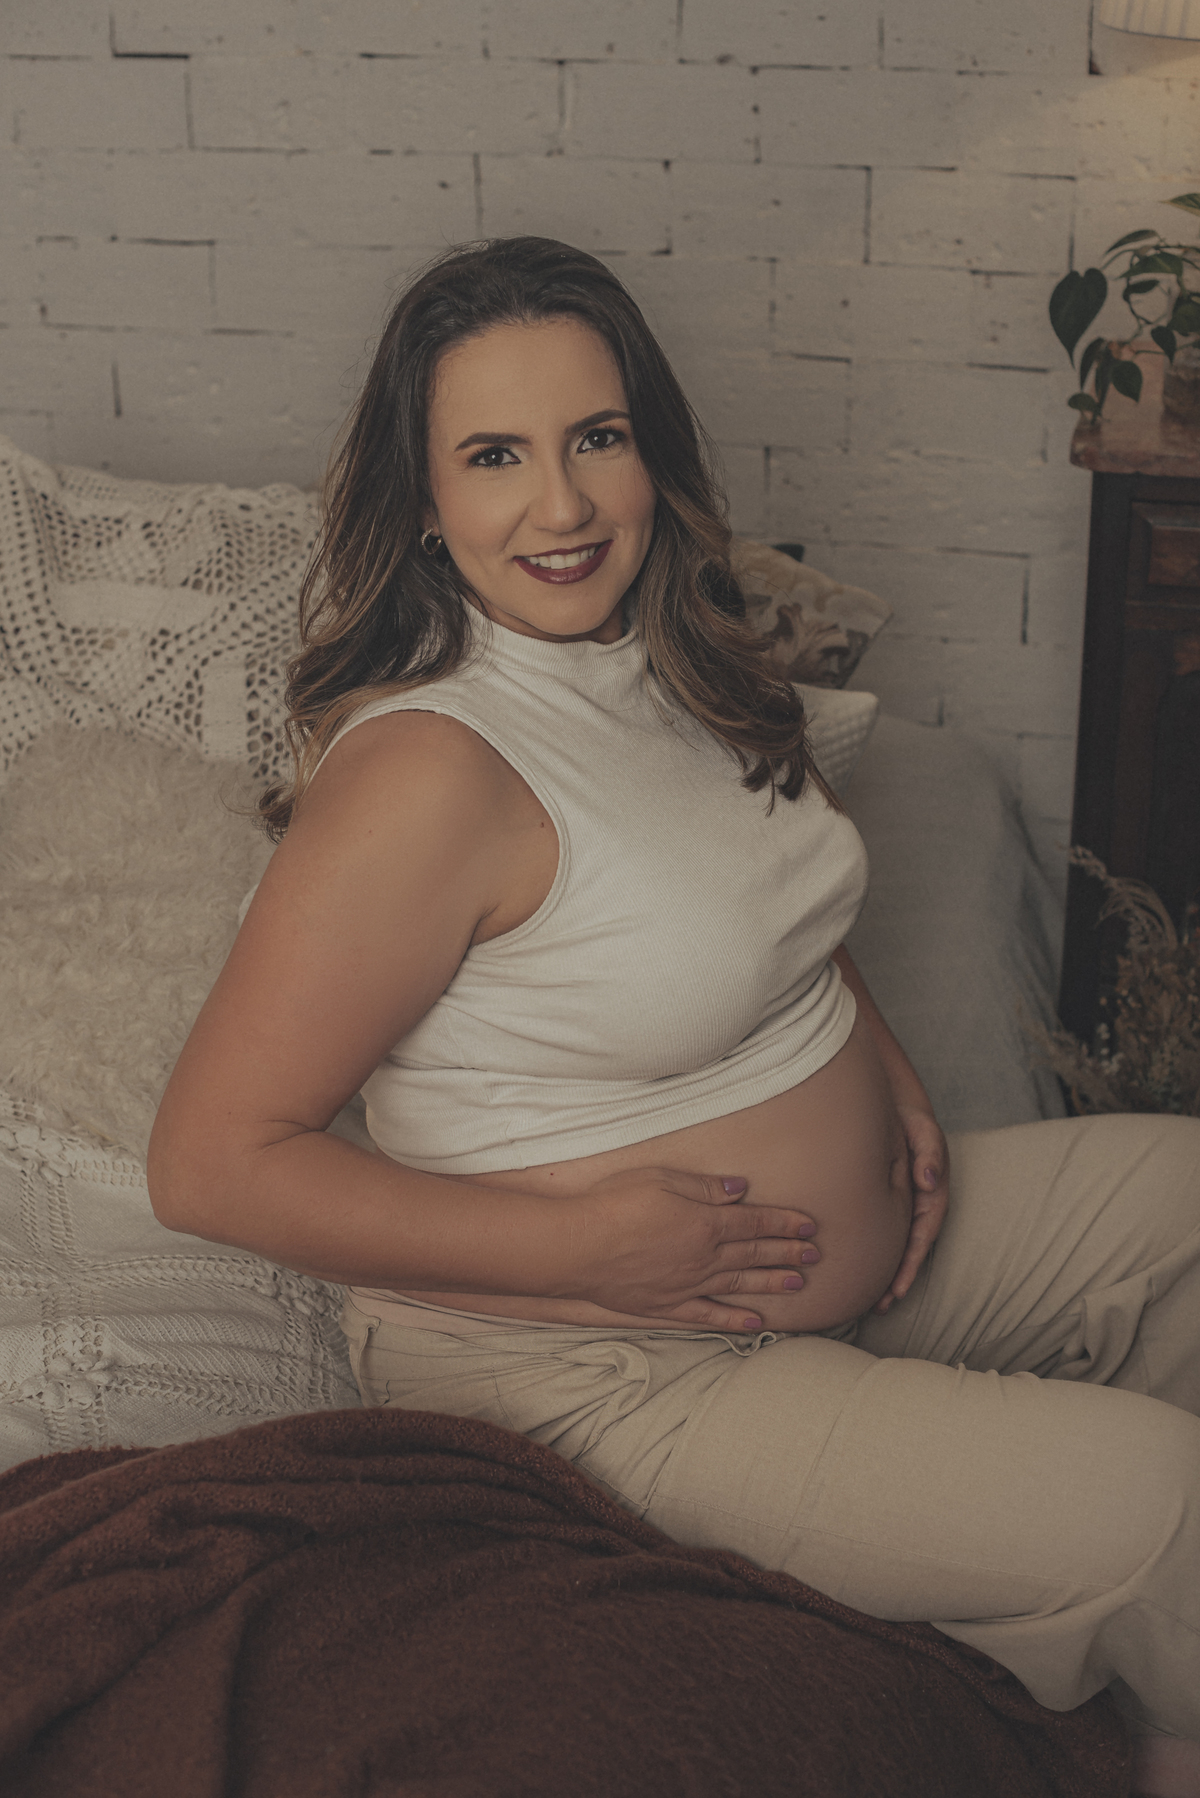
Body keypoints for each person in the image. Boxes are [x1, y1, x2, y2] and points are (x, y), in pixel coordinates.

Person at [148, 237, 1200, 1797]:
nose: (561, 507)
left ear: (650, 447)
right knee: (1170, 1507)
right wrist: (586, 1249)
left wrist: (888, 1076)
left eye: (596, 437)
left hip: (817, 1265)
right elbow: (209, 1160)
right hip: (601, 1360)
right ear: (423, 500)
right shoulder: (428, 771)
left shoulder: (674, 656)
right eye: (494, 456)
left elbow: (769, 898)